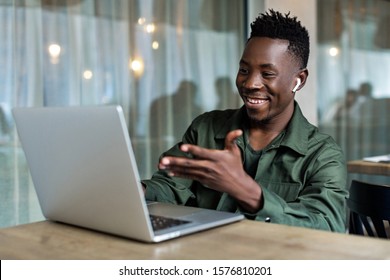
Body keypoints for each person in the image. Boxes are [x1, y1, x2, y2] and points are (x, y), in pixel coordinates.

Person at [142, 9, 348, 233]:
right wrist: (137, 190)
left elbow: (328, 226)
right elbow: (170, 187)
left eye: (267, 74)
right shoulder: (206, 129)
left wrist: (246, 191)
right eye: (244, 70)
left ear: (298, 81)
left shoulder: (322, 155)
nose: (250, 83)